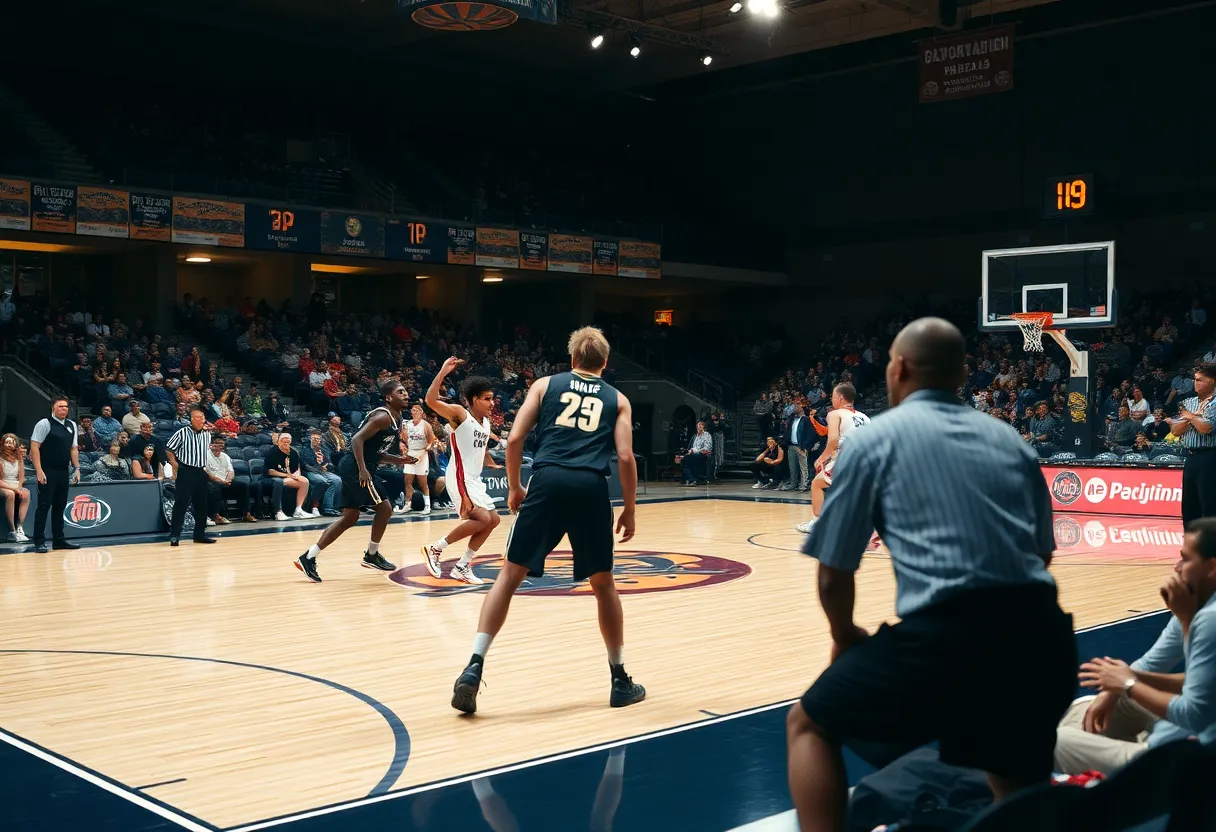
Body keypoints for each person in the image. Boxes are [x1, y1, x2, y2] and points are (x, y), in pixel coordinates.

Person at [787, 318, 1076, 832]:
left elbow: (834, 572)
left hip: (952, 635)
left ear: (896, 368)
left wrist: (845, 635)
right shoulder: (1009, 440)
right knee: (1016, 792)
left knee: (809, 724)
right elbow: (1043, 555)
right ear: (962, 373)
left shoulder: (877, 442)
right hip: (1043, 635)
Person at [449, 327, 645, 715]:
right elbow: (625, 457)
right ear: (604, 363)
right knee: (604, 584)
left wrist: (515, 488)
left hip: (548, 479)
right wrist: (630, 508)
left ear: (572, 360)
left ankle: (474, 665)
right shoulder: (618, 398)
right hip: (590, 487)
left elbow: (516, 438)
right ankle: (619, 679)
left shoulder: (544, 385)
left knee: (508, 576)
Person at [1054, 516, 1216, 774]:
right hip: (1189, 731)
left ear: (1212, 567)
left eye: (1185, 559)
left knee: (1057, 741)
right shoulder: (1198, 601)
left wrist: (1128, 685)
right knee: (1091, 709)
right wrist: (1119, 685)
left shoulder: (1208, 618)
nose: (1176, 567)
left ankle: (1131, 774)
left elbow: (1194, 713)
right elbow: (1192, 679)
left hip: (1185, 761)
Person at [293, 378, 409, 582]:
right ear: (389, 397)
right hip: (356, 466)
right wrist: (363, 470)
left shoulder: (397, 419)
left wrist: (399, 460)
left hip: (358, 465)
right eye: (401, 392)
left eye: (405, 391)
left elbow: (375, 452)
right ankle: (371, 555)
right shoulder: (383, 416)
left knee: (350, 517)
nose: (406, 394)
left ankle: (308, 557)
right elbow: (356, 440)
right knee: (385, 508)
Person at [421, 358, 501, 585]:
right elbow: (430, 400)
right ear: (474, 400)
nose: (492, 403)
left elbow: (481, 447)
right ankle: (435, 548)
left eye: (492, 398)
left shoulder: (485, 423)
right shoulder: (459, 414)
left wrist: (492, 463)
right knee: (483, 517)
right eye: (487, 399)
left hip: (474, 478)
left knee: (493, 520)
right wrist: (442, 372)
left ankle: (463, 566)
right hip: (459, 476)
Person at [797, 383, 869, 533]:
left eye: (833, 397)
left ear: (840, 397)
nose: (832, 400)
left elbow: (833, 440)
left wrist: (822, 457)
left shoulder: (835, 414)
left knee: (817, 484)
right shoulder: (864, 417)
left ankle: (818, 522)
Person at [29, 397, 81, 553]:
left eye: (66, 407)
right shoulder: (44, 423)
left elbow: (74, 448)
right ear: (53, 408)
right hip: (47, 470)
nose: (64, 409)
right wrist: (39, 470)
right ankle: (39, 540)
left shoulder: (72, 425)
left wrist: (77, 468)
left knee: (60, 506)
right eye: (60, 406)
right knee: (44, 505)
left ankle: (59, 540)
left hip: (63, 470)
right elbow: (34, 446)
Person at [1170, 363, 1216, 524]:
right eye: (1195, 380)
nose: (1195, 383)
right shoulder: (1189, 402)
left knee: (1209, 503)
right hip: (1190, 457)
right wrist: (1194, 417)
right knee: (1189, 504)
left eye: (1200, 380)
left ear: (1213, 381)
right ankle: (1191, 542)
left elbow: (1205, 428)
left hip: (1210, 457)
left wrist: (1189, 417)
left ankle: (1209, 544)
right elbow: (1175, 430)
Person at [165, 407, 217, 547]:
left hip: (200, 471)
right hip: (186, 471)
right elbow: (169, 449)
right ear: (192, 419)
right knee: (181, 504)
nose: (201, 420)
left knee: (202, 506)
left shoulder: (207, 434)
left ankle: (199, 535)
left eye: (202, 417)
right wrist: (175, 464)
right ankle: (175, 535)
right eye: (198, 418)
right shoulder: (182, 432)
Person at [396, 404, 436, 516]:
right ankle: (408, 505)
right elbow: (404, 439)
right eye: (412, 410)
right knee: (407, 481)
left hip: (421, 454)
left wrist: (424, 452)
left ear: (421, 412)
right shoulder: (407, 424)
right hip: (410, 454)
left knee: (422, 482)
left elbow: (430, 441)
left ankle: (427, 506)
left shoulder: (426, 425)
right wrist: (402, 442)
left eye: (415, 410)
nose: (413, 412)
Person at [266, 433, 310, 521]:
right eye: (283, 441)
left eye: (288, 441)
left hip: (289, 477)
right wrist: (287, 475)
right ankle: (278, 512)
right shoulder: (272, 452)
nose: (286, 443)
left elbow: (297, 467)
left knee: (304, 481)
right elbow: (270, 471)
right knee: (279, 482)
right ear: (279, 442)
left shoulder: (293, 452)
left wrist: (297, 475)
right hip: (274, 478)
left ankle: (298, 509)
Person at [0, 433, 31, 542]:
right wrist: (15, 489)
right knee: (10, 494)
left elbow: (21, 478)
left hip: (14, 483)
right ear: (2, 444)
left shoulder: (18, 458)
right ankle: (11, 530)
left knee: (26, 493)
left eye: (12, 443)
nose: (9, 445)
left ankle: (19, 527)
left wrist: (19, 487)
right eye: (7, 442)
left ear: (15, 445)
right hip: (3, 484)